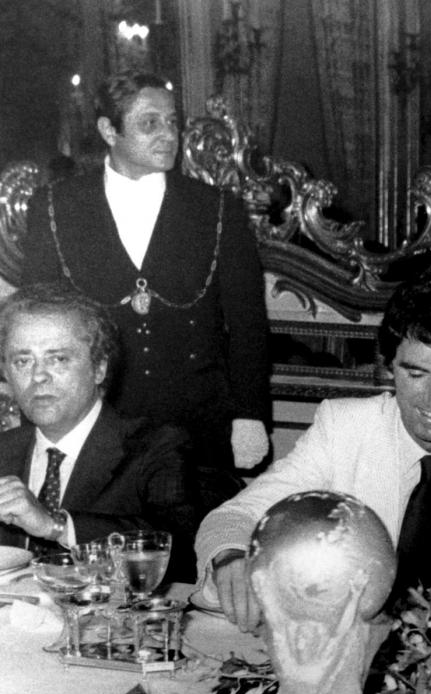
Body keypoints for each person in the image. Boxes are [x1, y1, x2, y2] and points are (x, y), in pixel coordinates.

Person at [196, 270, 431, 631]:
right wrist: (231, 556)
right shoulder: (342, 430)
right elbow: (234, 517)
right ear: (388, 367)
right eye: (416, 374)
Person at [21, 70, 271, 506]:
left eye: (172, 122)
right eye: (149, 123)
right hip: (93, 426)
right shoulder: (57, 205)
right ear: (108, 130)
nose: (168, 135)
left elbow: (248, 324)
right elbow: (35, 321)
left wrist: (249, 414)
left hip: (197, 430)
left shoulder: (216, 209)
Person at [0, 284, 200, 577]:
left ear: (99, 368)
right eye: (23, 361)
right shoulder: (2, 451)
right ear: (6, 373)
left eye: (58, 358)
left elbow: (179, 553)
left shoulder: (155, 447)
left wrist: (55, 526)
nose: (38, 376)